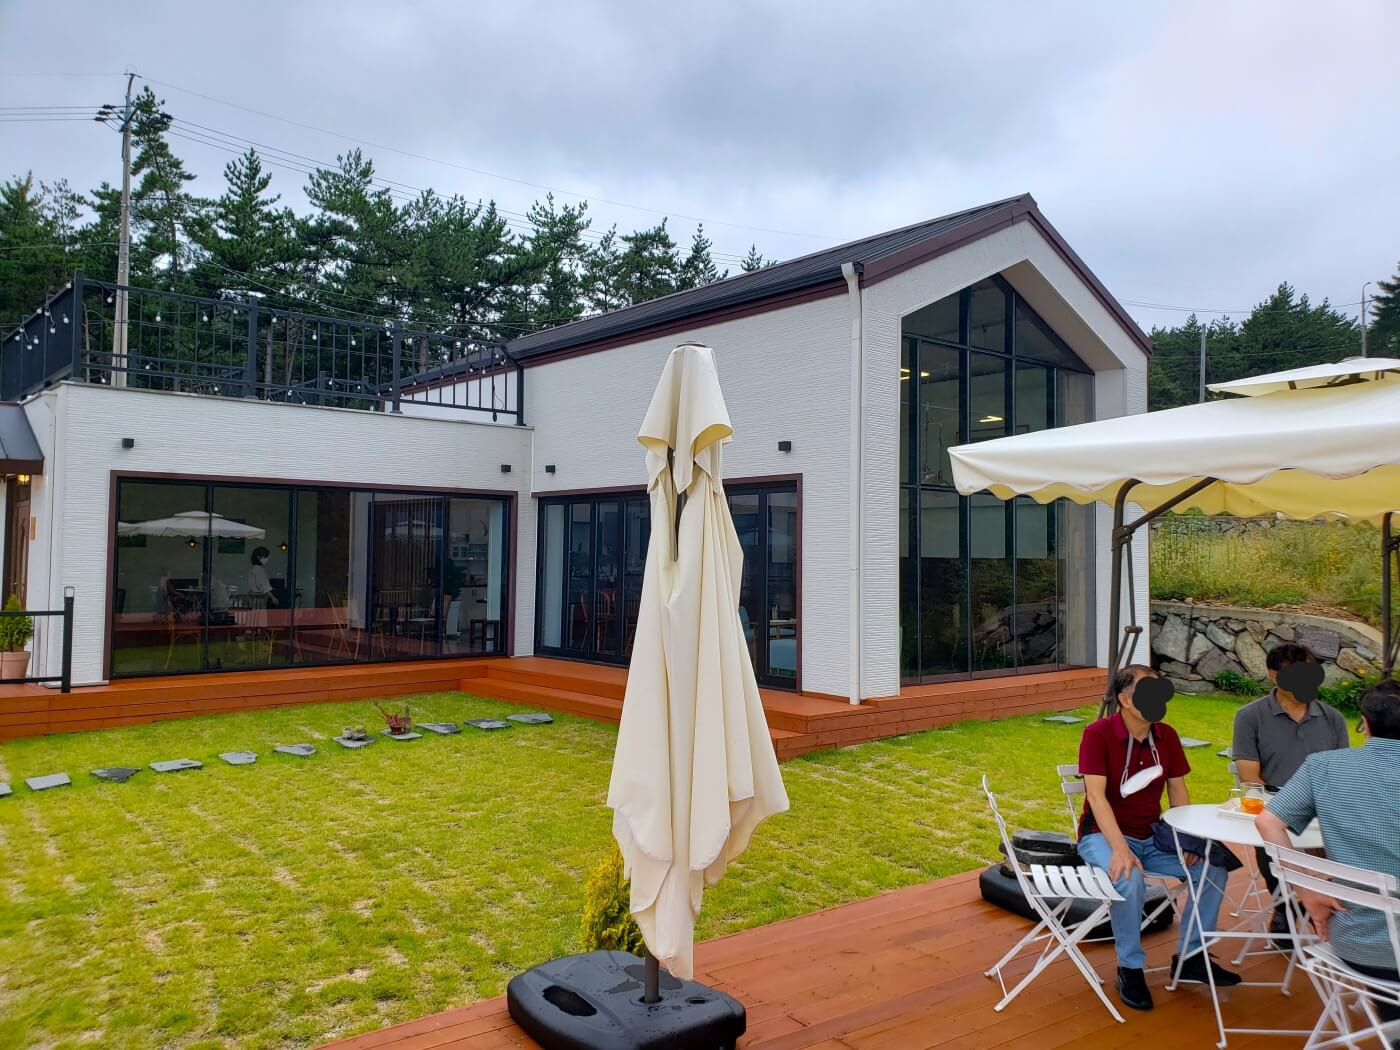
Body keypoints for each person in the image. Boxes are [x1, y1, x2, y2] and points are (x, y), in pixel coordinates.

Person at [1076, 664, 1241, 1011]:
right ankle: (1130, 967)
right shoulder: (1098, 733)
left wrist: (1187, 840)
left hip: (1153, 836)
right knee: (1129, 878)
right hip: (1102, 836)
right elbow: (1096, 797)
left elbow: (1178, 792)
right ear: (1124, 699)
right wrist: (1119, 849)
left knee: (1212, 868)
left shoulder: (1166, 735)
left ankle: (1192, 958)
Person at [1257, 679, 1400, 1047]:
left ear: (1364, 725)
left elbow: (1268, 821)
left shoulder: (1324, 766)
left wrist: (1309, 891)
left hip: (1357, 945)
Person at [1232, 642, 1350, 936]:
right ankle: (1289, 907)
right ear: (1274, 676)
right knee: (1270, 848)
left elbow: (1339, 772)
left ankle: (1321, 904)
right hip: (1276, 807)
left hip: (1325, 810)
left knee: (1354, 852)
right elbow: (1249, 777)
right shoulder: (1250, 717)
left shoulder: (1332, 717)